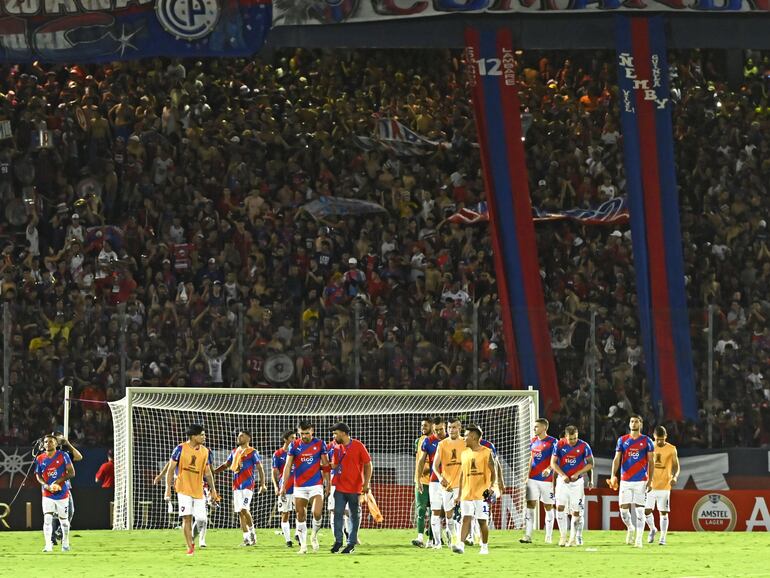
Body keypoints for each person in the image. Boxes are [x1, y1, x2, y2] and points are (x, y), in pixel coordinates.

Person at [164, 424, 219, 556]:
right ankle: (190, 547)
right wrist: (168, 488)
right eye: (202, 435)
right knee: (186, 518)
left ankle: (192, 539)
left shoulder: (205, 451)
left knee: (201, 519)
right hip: (183, 489)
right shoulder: (180, 449)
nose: (204, 437)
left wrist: (213, 490)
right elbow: (170, 469)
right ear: (194, 436)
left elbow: (207, 473)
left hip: (198, 489)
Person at [280, 421, 329, 554]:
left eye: (307, 433)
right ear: (298, 432)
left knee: (316, 513)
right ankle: (303, 546)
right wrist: (283, 486)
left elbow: (325, 465)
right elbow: (288, 466)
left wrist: (328, 483)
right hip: (299, 486)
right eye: (302, 433)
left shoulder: (320, 444)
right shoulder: (294, 445)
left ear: (312, 431)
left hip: (316, 484)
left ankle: (313, 535)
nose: (304, 436)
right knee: (300, 515)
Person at [214, 429, 266, 546]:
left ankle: (253, 533)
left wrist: (262, 484)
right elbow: (226, 465)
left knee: (244, 508)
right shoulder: (234, 452)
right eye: (238, 436)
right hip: (237, 486)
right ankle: (246, 538)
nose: (239, 438)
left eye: (241, 436)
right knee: (239, 512)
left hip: (248, 485)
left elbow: (260, 468)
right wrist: (214, 471)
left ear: (248, 438)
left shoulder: (252, 452)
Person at [610, 414, 655, 548]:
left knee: (640, 510)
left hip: (641, 480)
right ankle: (630, 527)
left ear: (640, 424)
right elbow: (617, 459)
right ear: (629, 424)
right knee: (623, 510)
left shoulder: (647, 441)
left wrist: (650, 480)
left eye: (636, 421)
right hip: (625, 480)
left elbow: (651, 462)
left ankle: (639, 540)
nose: (633, 423)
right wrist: (613, 475)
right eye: (631, 421)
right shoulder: (622, 440)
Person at [452, 424, 496, 555]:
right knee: (465, 518)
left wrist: (492, 486)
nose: (463, 439)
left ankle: (484, 547)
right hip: (466, 493)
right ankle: (460, 545)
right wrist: (459, 494)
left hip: (482, 494)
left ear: (473, 437)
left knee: (482, 521)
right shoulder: (464, 454)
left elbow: (493, 471)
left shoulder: (486, 452)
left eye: (465, 436)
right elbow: (462, 475)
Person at [329, 422, 372, 555]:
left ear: (343, 433)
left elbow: (368, 465)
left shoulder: (358, 445)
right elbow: (335, 466)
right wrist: (320, 465)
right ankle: (338, 541)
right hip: (340, 488)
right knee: (337, 514)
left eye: (335, 433)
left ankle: (351, 543)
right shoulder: (336, 447)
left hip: (355, 488)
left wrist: (366, 484)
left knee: (354, 516)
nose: (334, 435)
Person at [550, 425, 594, 547]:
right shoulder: (559, 445)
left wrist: (577, 473)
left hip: (577, 483)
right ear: (565, 437)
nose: (573, 441)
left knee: (576, 512)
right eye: (571, 439)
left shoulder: (584, 446)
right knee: (559, 508)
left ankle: (573, 538)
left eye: (575, 438)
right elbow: (553, 463)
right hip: (562, 482)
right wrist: (563, 475)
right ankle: (563, 537)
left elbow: (591, 464)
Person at [35, 433, 76, 552]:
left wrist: (58, 482)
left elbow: (72, 473)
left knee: (64, 520)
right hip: (47, 493)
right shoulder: (40, 458)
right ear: (43, 444)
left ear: (56, 444)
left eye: (51, 441)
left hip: (62, 492)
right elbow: (38, 475)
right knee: (47, 518)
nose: (48, 443)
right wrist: (46, 485)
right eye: (46, 442)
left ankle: (65, 542)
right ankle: (48, 545)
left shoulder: (63, 456)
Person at [521, 417, 558, 544]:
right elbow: (531, 459)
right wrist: (527, 476)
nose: (534, 428)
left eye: (537, 426)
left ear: (544, 428)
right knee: (530, 505)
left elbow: (555, 460)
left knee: (548, 506)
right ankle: (527, 535)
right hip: (533, 479)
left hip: (546, 480)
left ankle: (548, 536)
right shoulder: (533, 441)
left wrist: (549, 469)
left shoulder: (553, 442)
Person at [431, 418, 465, 547]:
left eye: (454, 427)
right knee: (449, 515)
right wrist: (440, 478)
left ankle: (460, 541)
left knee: (464, 514)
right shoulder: (442, 444)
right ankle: (453, 536)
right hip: (448, 486)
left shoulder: (465, 443)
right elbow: (435, 466)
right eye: (450, 427)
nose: (452, 430)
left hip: (463, 485)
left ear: (459, 428)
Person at [415, 417, 448, 548]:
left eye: (441, 429)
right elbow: (421, 461)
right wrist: (417, 480)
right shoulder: (427, 441)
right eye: (436, 430)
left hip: (451, 481)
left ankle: (451, 537)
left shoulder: (452, 441)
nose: (438, 432)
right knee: (432, 510)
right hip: (434, 480)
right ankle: (432, 541)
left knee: (447, 511)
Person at [644, 425, 679, 546]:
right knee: (646, 511)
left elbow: (676, 466)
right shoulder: (649, 447)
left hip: (664, 485)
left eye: (662, 439)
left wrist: (674, 477)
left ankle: (663, 538)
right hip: (650, 485)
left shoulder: (671, 449)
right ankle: (653, 529)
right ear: (654, 437)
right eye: (657, 439)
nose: (659, 441)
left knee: (663, 512)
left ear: (666, 437)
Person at [51, 434, 82, 546]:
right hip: (53, 487)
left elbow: (79, 457)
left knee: (70, 511)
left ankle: (58, 532)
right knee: (54, 513)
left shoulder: (64, 454)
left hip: (65, 486)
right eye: (58, 438)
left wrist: (68, 444)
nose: (60, 439)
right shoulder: (48, 454)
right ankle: (52, 537)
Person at [272, 430, 297, 547]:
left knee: (301, 512)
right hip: (285, 488)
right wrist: (276, 487)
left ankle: (298, 534)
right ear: (285, 440)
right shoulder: (278, 454)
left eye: (295, 438)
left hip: (298, 487)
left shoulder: (297, 453)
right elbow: (274, 473)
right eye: (292, 438)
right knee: (285, 514)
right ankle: (288, 540)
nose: (295, 440)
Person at [411, 417, 433, 547]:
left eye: (425, 425)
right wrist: (418, 477)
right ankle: (419, 537)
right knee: (420, 510)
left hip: (435, 482)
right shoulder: (418, 441)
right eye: (422, 425)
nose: (423, 427)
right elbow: (419, 459)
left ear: (431, 426)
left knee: (434, 512)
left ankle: (432, 537)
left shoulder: (437, 441)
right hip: (420, 481)